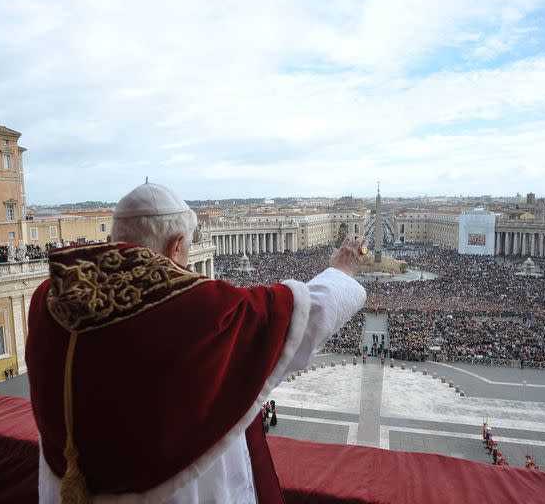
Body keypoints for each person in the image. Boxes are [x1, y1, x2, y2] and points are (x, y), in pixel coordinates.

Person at [26, 181, 368, 504]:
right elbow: (299, 316)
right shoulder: (196, 308)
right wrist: (341, 271)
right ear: (176, 246)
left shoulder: (52, 296)